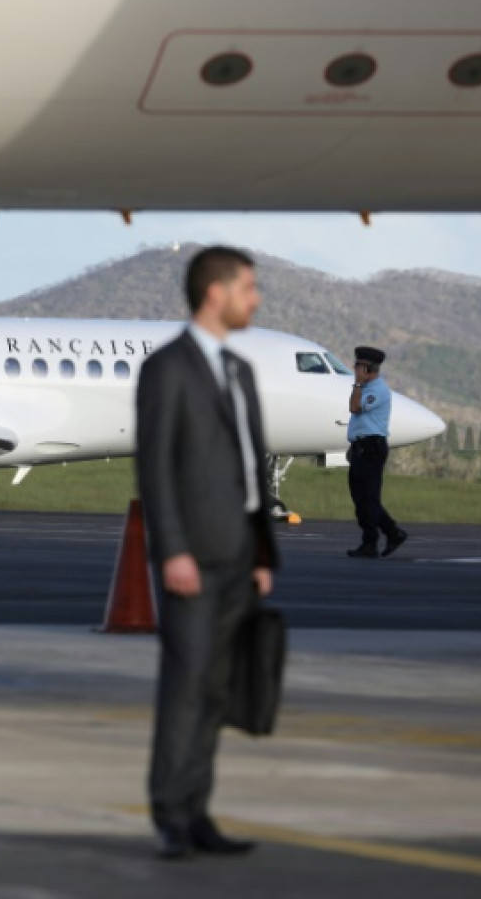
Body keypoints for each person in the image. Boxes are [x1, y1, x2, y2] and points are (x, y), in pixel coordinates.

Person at [135, 246, 279, 861]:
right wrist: (172, 550)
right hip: (192, 558)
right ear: (215, 293)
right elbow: (156, 466)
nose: (257, 298)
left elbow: (251, 471)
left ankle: (197, 812)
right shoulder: (168, 368)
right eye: (249, 287)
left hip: (239, 558)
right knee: (187, 686)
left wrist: (263, 554)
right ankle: (170, 814)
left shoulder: (240, 370)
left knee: (218, 690)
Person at [345, 346, 408, 558]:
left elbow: (354, 407)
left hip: (372, 447)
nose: (355, 369)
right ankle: (391, 533)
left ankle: (372, 541)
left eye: (358, 366)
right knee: (361, 497)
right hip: (361, 447)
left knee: (368, 497)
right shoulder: (366, 388)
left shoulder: (377, 390)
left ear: (368, 368)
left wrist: (357, 384)